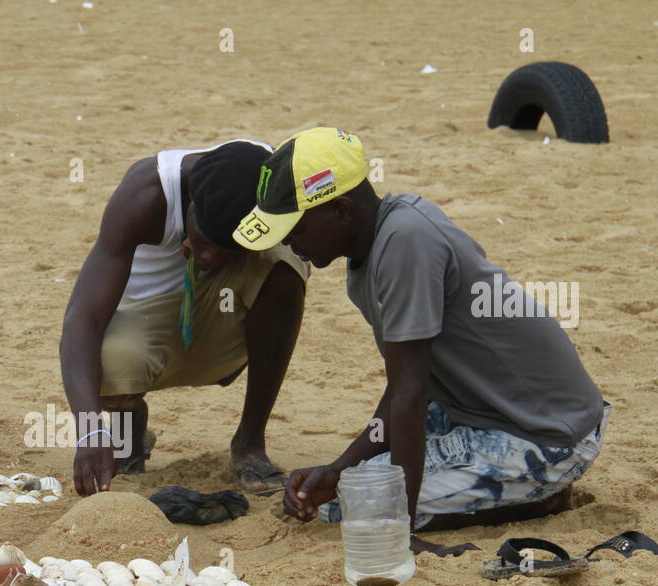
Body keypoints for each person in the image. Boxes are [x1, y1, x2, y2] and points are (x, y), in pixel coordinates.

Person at [232, 127, 607, 555]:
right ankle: (520, 488)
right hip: (487, 411)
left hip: (545, 435)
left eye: (293, 228)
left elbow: (410, 391)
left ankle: (539, 495)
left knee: (357, 508)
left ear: (340, 210)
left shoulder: (406, 242)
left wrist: (400, 531)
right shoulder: (377, 242)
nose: (288, 244)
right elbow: (407, 384)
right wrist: (339, 469)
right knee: (348, 489)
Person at [60, 139, 310, 497]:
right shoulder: (145, 196)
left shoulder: (265, 186)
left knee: (284, 266)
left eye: (229, 252)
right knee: (101, 366)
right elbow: (81, 322)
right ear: (191, 201)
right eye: (203, 241)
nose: (211, 258)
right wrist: (89, 429)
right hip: (148, 319)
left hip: (220, 316)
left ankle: (249, 443)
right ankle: (129, 429)